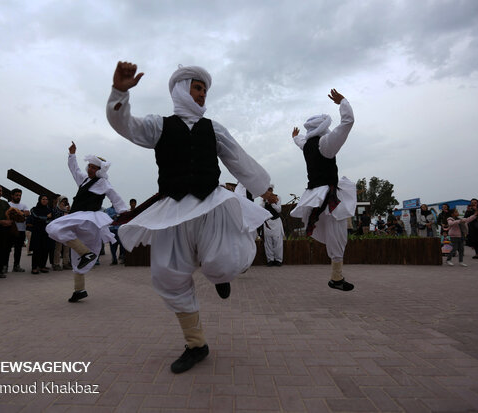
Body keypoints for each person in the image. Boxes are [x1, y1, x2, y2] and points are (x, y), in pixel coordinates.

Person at [107, 62, 275, 374]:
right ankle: (196, 344)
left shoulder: (215, 128)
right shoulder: (159, 125)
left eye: (204, 90)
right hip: (172, 210)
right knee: (168, 275)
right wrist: (120, 92)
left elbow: (238, 159)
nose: (201, 95)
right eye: (197, 88)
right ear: (182, 89)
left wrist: (264, 188)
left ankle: (222, 278)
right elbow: (125, 125)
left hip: (211, 205)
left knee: (224, 260)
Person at [289, 88, 356, 292]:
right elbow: (347, 123)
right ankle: (336, 278)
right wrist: (343, 102)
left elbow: (300, 142)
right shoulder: (325, 144)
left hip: (315, 196)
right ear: (324, 128)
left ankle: (337, 276)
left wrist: (295, 137)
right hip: (329, 196)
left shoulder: (308, 144)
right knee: (338, 235)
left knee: (335, 235)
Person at [46, 141, 128, 302]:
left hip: (88, 219)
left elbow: (116, 198)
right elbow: (75, 170)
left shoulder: (103, 183)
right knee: (76, 256)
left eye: (93, 167)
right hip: (80, 219)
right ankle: (79, 290)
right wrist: (72, 155)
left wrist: (126, 214)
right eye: (89, 166)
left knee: (54, 227)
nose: (89, 169)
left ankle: (86, 253)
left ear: (100, 170)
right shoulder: (84, 180)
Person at [6, 189, 30, 272]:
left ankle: (16, 266)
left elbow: (27, 213)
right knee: (7, 249)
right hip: (10, 229)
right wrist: (21, 213)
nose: (18, 197)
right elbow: (7, 214)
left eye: (19, 195)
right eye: (16, 195)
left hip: (21, 230)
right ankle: (4, 266)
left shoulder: (23, 205)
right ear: (12, 195)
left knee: (18, 249)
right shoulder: (8, 204)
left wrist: (16, 212)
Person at [261, 185, 284, 266]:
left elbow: (279, 209)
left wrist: (273, 203)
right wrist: (264, 201)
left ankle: (278, 260)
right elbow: (261, 209)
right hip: (267, 222)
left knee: (277, 241)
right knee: (268, 242)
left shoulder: (278, 198)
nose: (269, 191)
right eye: (267, 190)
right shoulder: (263, 199)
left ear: (272, 190)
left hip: (276, 221)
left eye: (270, 190)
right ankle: (270, 260)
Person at [29, 195, 53, 274]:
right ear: (39, 200)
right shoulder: (34, 209)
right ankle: (34, 267)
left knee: (45, 249)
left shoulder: (49, 209)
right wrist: (46, 217)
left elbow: (52, 219)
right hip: (37, 232)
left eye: (46, 199)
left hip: (46, 233)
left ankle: (42, 266)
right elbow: (36, 217)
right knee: (37, 250)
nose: (45, 200)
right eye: (43, 199)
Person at [51, 195, 71, 270]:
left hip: (66, 231)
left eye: (65, 201)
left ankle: (66, 263)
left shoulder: (68, 209)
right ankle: (56, 264)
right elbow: (56, 218)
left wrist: (69, 210)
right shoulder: (56, 209)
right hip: (59, 231)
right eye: (62, 201)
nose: (63, 203)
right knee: (58, 249)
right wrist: (64, 212)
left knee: (66, 249)